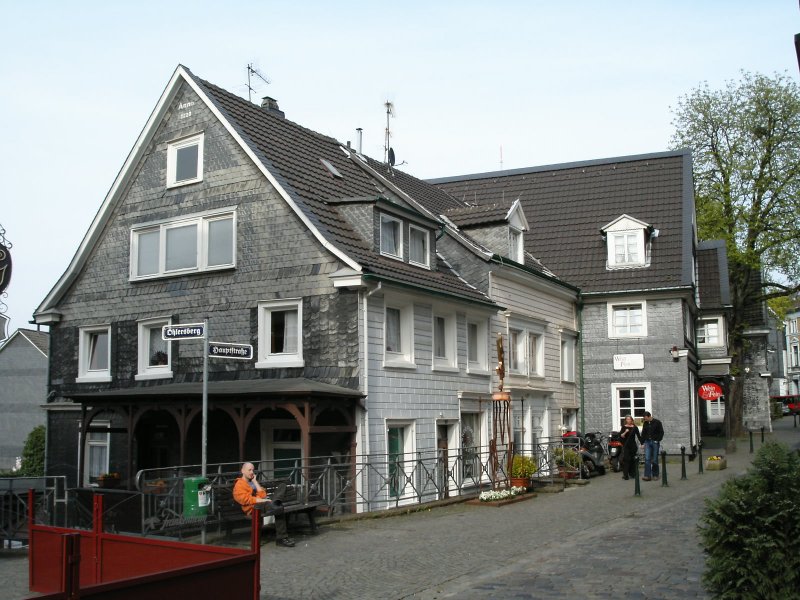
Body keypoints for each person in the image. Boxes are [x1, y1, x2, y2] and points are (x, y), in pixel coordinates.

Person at [233, 462, 295, 547]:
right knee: (279, 507)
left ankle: (275, 501)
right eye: (249, 470)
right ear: (242, 471)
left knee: (282, 486)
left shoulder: (253, 482)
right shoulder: (239, 485)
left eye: (253, 470)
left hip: (264, 503)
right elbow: (245, 500)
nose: (252, 472)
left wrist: (255, 482)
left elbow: (263, 495)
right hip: (253, 508)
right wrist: (261, 500)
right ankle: (281, 538)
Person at [641, 411, 664, 481]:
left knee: (655, 459)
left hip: (655, 442)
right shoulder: (645, 423)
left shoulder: (657, 422)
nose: (645, 420)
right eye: (644, 418)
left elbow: (661, 432)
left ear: (649, 416)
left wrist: (657, 440)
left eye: (645, 418)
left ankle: (655, 474)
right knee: (647, 459)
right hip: (647, 442)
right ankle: (647, 475)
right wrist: (642, 443)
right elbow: (643, 433)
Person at [618, 415, 641, 480]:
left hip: (633, 446)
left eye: (629, 419)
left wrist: (642, 443)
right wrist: (625, 432)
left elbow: (639, 436)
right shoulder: (624, 427)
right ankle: (625, 475)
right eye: (627, 419)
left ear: (632, 420)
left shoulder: (635, 427)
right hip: (626, 446)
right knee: (626, 460)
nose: (628, 420)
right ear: (626, 420)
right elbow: (621, 436)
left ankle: (633, 474)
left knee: (633, 460)